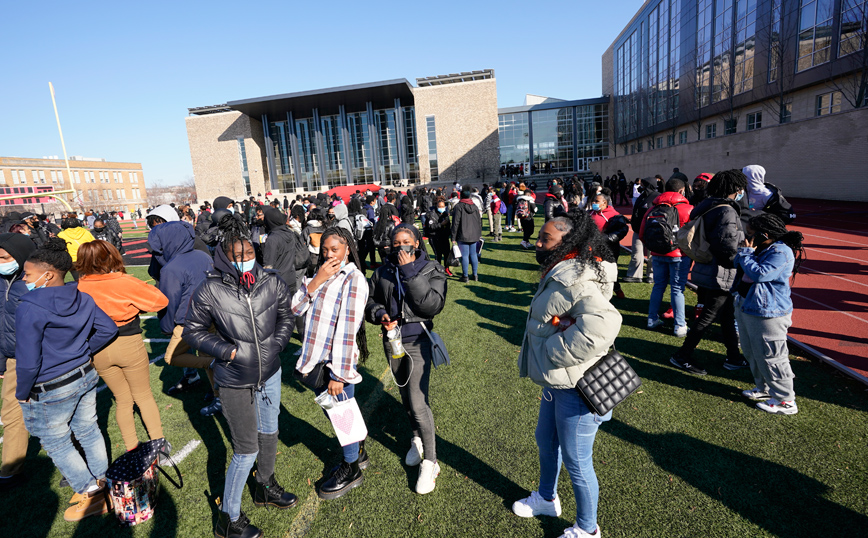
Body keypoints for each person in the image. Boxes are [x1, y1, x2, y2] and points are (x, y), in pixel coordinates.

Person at [184, 219, 298, 538]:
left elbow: (286, 317)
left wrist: (275, 345)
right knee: (245, 449)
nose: (245, 255)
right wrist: (228, 352)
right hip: (234, 378)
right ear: (223, 255)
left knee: (270, 432)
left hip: (270, 373)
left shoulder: (270, 280)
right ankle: (228, 519)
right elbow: (192, 332)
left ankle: (264, 486)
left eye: (249, 250)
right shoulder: (210, 288)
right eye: (238, 252)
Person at [513, 209, 622, 538]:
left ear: (568, 242)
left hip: (578, 387)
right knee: (546, 441)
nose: (538, 243)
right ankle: (547, 498)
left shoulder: (577, 276)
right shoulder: (563, 269)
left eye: (545, 239)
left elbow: (604, 325)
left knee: (577, 460)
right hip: (558, 384)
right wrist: (559, 326)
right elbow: (560, 313)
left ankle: (588, 529)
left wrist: (550, 351)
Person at [15, 238, 117, 521]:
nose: (24, 279)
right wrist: (83, 351)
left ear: (48, 275)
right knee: (88, 429)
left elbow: (27, 358)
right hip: (84, 374)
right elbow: (107, 329)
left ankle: (90, 491)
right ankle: (102, 480)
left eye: (28, 274)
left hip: (52, 385)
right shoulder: (81, 295)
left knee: (57, 441)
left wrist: (22, 391)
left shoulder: (30, 306)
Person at [365, 225, 447, 493]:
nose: (401, 247)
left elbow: (431, 305)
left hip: (418, 342)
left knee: (418, 402)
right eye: (396, 243)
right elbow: (370, 300)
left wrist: (410, 270)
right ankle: (416, 439)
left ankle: (431, 462)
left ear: (417, 242)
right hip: (393, 342)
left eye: (406, 242)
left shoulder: (430, 267)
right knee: (406, 399)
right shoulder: (383, 270)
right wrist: (379, 315)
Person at [291, 227, 370, 501]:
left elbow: (349, 328)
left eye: (334, 250)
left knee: (342, 416)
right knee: (334, 413)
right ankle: (357, 450)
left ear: (347, 249)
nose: (328, 255)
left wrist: (339, 374)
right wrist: (316, 280)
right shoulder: (321, 275)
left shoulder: (354, 279)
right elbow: (295, 308)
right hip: (315, 359)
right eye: (324, 250)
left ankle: (351, 469)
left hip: (335, 364)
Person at [76, 240, 170, 452]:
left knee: (122, 400)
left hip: (96, 347)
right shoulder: (123, 281)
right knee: (143, 395)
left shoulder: (80, 286)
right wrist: (135, 307)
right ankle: (159, 444)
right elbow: (159, 301)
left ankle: (131, 448)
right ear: (111, 256)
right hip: (127, 342)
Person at [671, 170, 749, 375]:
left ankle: (733, 357)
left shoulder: (708, 206)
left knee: (725, 316)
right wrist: (743, 260)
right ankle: (682, 356)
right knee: (707, 317)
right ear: (735, 189)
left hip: (707, 268)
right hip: (720, 272)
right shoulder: (727, 211)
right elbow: (727, 246)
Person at [734, 214, 804, 415]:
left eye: (750, 233)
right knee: (752, 352)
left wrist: (746, 253)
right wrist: (744, 252)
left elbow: (760, 274)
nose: (746, 237)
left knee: (773, 356)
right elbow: (735, 264)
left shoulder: (781, 252)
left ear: (764, 234)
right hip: (748, 306)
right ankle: (764, 389)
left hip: (768, 312)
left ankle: (785, 401)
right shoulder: (759, 248)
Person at [150, 221, 217, 412]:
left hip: (189, 320)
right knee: (207, 356)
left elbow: (169, 301)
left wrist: (166, 327)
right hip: (211, 314)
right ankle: (219, 396)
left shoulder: (171, 268)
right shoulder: (202, 255)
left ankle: (213, 365)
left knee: (172, 356)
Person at [0, 234, 35, 490]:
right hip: (14, 360)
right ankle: (11, 471)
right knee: (12, 414)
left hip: (45, 359)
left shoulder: (37, 281)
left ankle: (78, 464)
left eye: (4, 258)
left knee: (61, 412)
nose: (0, 263)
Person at [640, 178, 694, 337]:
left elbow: (643, 233)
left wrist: (654, 247)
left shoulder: (652, 208)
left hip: (657, 253)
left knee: (658, 286)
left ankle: (651, 319)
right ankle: (680, 325)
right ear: (682, 191)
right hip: (679, 254)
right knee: (677, 289)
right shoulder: (689, 209)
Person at [589, 193, 629, 300]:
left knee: (609, 272)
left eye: (596, 201)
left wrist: (606, 238)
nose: (594, 203)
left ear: (604, 203)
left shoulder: (613, 215)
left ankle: (616, 289)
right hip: (591, 248)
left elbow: (622, 230)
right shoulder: (590, 213)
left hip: (609, 249)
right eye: (593, 201)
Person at [261, 206, 304, 298]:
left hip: (278, 281)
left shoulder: (272, 239)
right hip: (291, 278)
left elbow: (268, 265)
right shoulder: (290, 233)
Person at [624, 177, 659, 284]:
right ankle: (635, 275)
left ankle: (652, 275)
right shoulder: (642, 196)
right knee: (636, 252)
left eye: (643, 185)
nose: (641, 187)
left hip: (652, 230)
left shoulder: (657, 197)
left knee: (652, 254)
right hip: (638, 229)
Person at [451, 188, 482, 283]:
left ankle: (465, 276)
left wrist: (453, 237)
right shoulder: (475, 206)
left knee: (465, 256)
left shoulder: (458, 206)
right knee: (473, 255)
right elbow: (479, 222)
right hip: (473, 234)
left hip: (463, 234)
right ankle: (475, 274)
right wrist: (479, 234)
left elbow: (455, 223)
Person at [57, 215, 95, 280]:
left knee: (78, 280)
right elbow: (94, 243)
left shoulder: (61, 235)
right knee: (91, 278)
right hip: (87, 258)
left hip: (73, 260)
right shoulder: (85, 232)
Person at [424, 197, 453, 276]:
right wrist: (441, 224)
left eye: (443, 206)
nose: (442, 208)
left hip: (444, 237)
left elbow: (448, 225)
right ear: (437, 206)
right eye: (440, 207)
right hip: (435, 237)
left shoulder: (445, 213)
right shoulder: (431, 214)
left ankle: (447, 268)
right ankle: (438, 269)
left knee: (447, 253)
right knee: (438, 255)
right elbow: (431, 226)